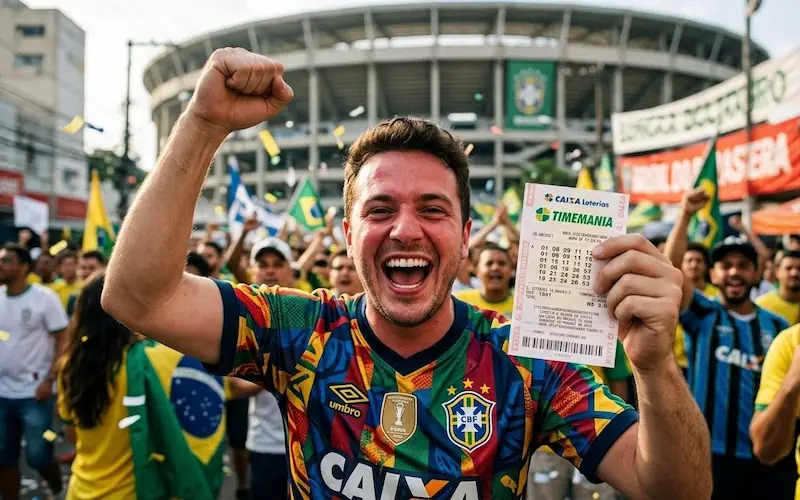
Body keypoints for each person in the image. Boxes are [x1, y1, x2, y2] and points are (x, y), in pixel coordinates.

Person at [102, 47, 711, 499]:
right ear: (347, 234)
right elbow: (137, 297)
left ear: (466, 237)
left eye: (433, 209)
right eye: (380, 209)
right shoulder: (301, 331)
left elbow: (679, 492)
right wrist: (203, 124)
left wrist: (655, 367)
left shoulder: (528, 360)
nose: (405, 230)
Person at [664, 188, 795, 499]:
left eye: (743, 265)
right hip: (709, 455)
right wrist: (684, 214)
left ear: (757, 273)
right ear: (713, 274)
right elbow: (669, 275)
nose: (734, 271)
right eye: (726, 265)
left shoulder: (779, 327)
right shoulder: (703, 314)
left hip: (768, 458)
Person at [0, 244, 69, 500]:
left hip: (35, 394)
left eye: (6, 261)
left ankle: (57, 490)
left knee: (39, 455)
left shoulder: (44, 298)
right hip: (2, 394)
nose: (0, 265)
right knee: (4, 457)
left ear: (23, 267)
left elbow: (64, 339)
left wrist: (50, 379)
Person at [757, 250, 800, 327]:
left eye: (799, 269)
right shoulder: (761, 305)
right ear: (777, 271)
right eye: (788, 268)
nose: (794, 273)